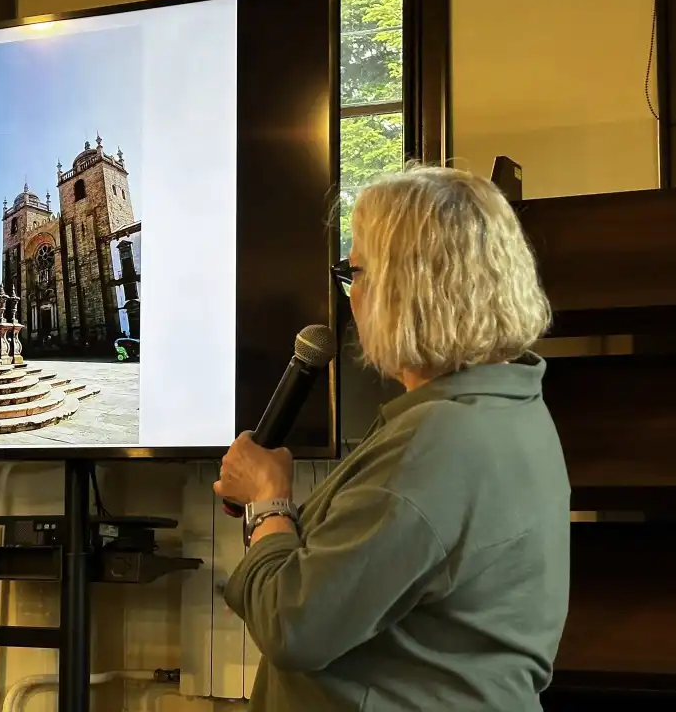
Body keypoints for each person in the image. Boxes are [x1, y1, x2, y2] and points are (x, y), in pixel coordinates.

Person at [214, 164, 570, 711]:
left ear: (408, 288)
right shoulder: (507, 402)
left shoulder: (438, 444)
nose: (349, 297)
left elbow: (295, 624)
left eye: (354, 271)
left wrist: (268, 502)